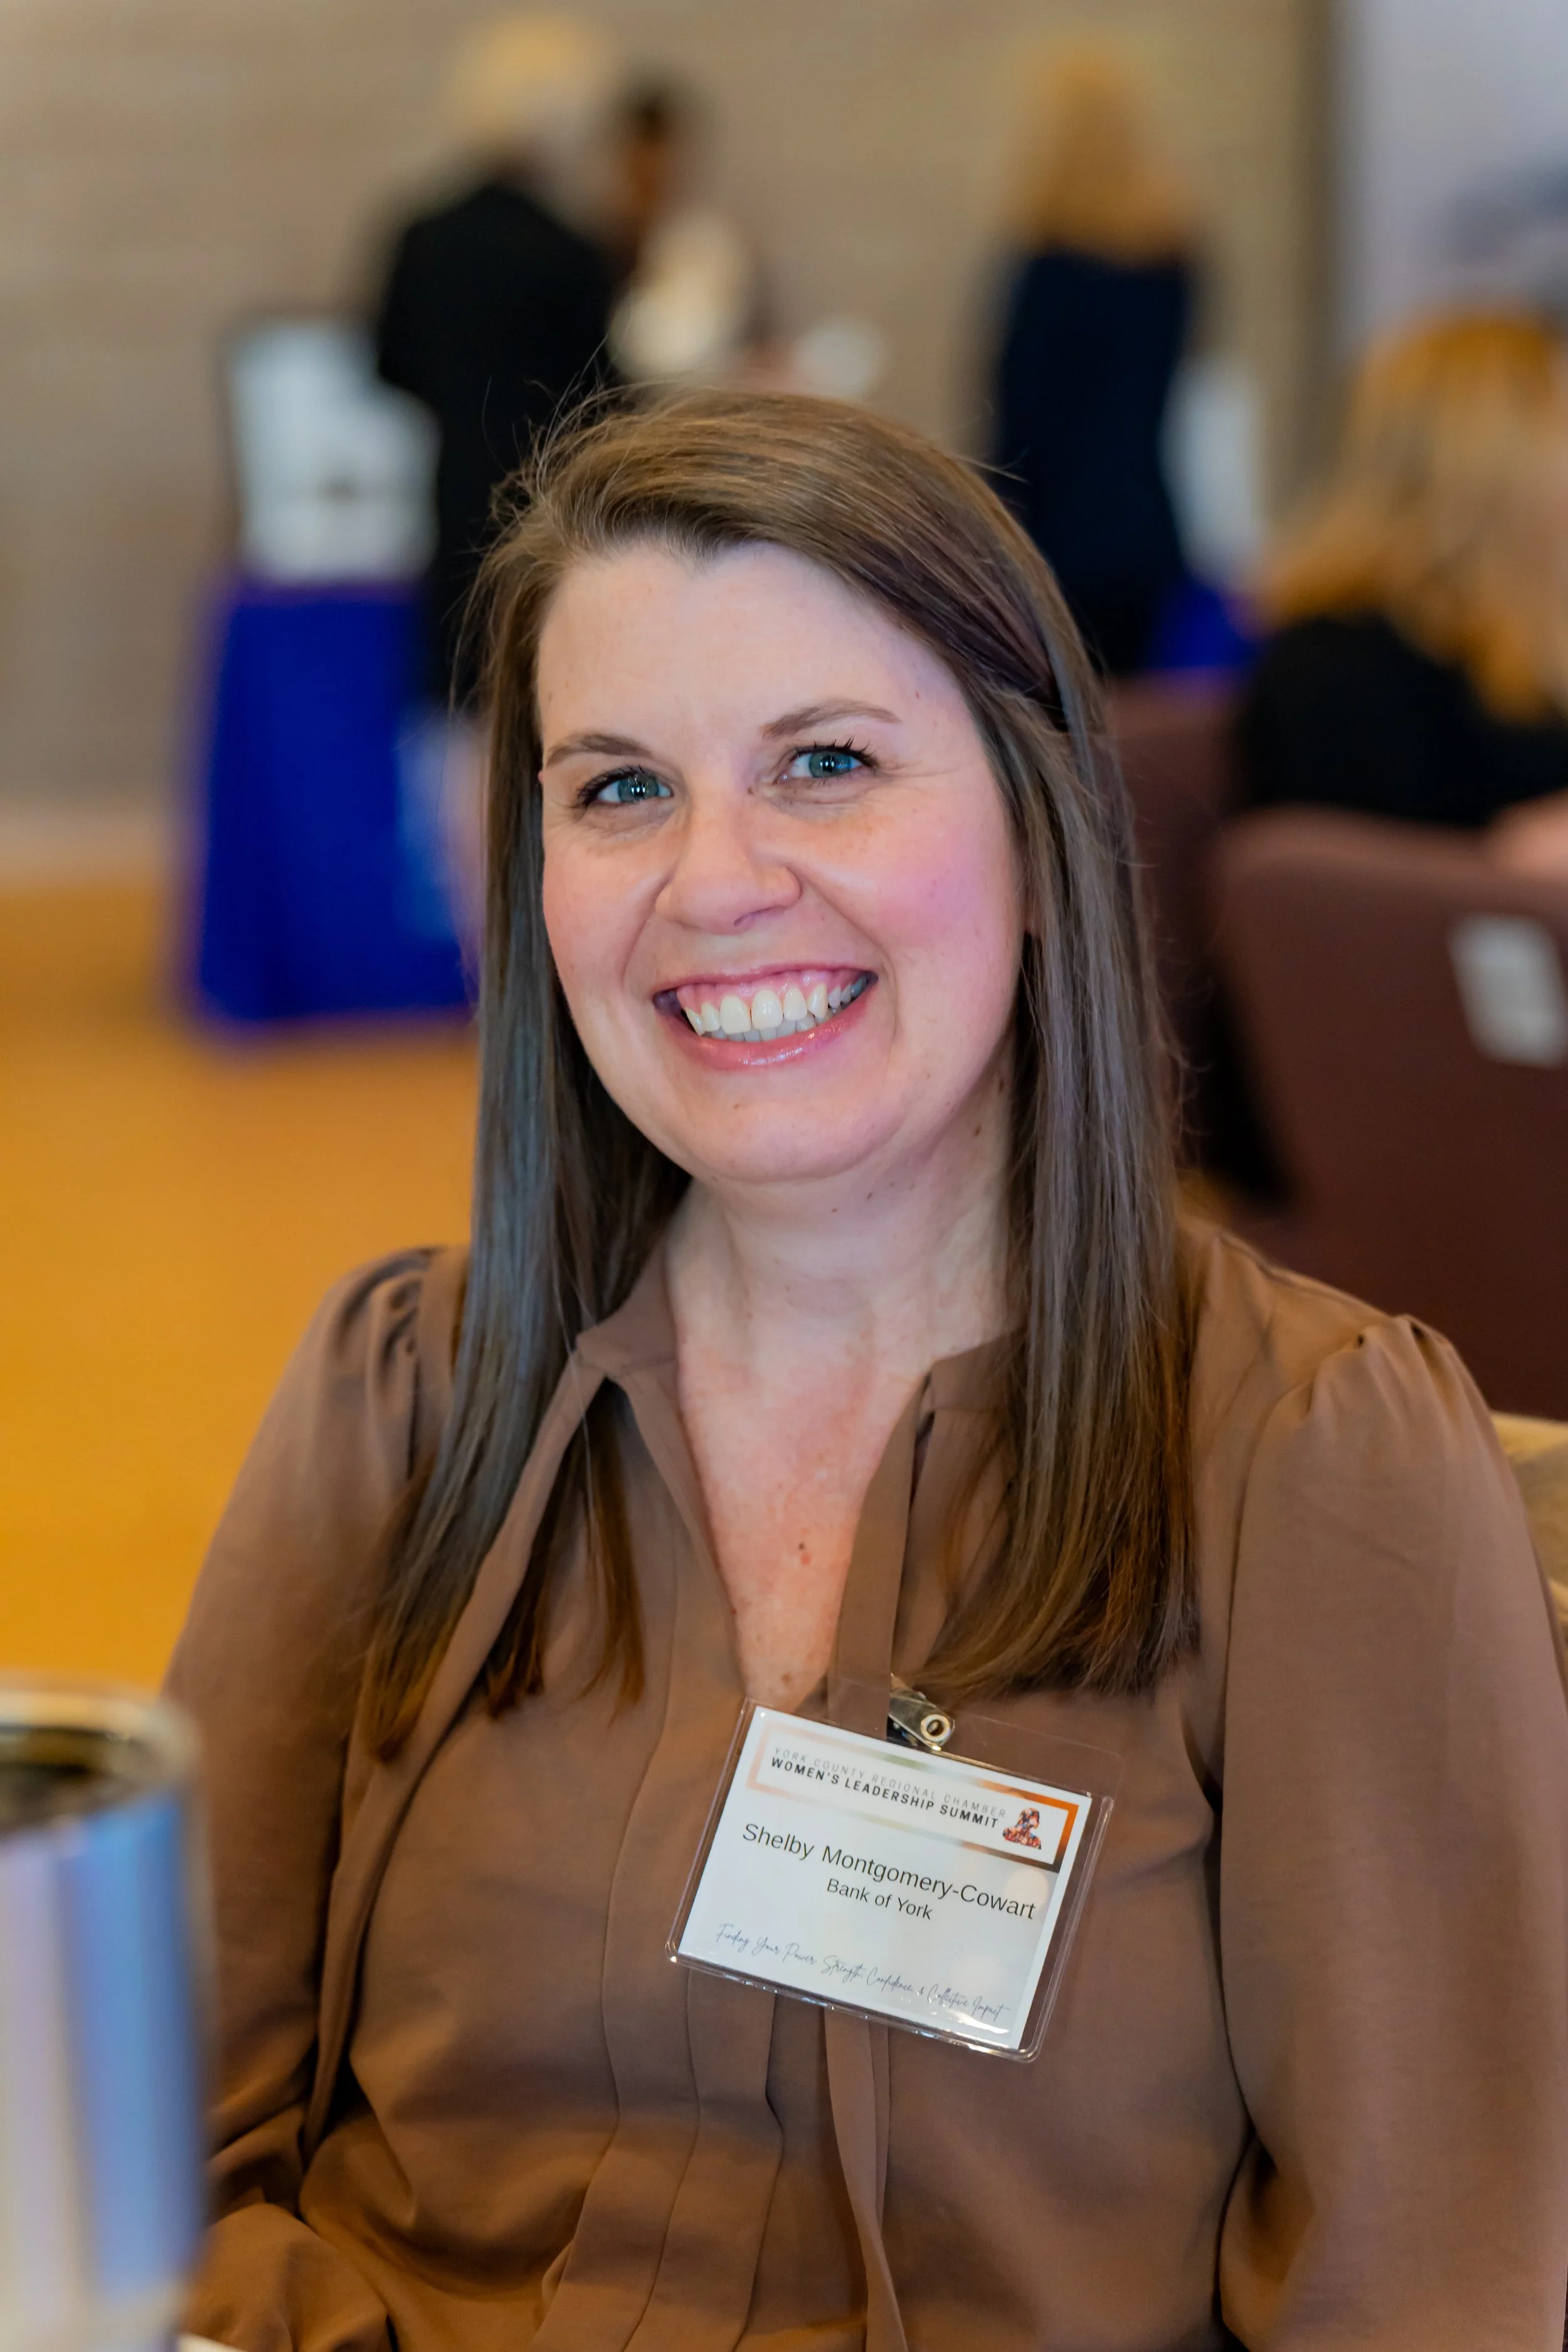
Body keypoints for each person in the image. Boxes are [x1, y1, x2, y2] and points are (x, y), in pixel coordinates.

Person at [169, 391, 1568, 2351]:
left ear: (1030, 824)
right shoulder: (403, 1398)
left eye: (822, 762)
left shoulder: (1305, 1461)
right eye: (616, 787)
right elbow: (148, 2159)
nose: (714, 878)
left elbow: (1411, 2298)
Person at [373, 13, 620, 707]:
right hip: (544, 506)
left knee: (453, 706)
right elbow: (605, 398)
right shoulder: (569, 251)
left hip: (451, 502)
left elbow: (389, 364)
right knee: (537, 693)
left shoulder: (422, 235)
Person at [1239, 310, 1568, 831]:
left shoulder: (1525, 643)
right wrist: (1506, 859)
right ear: (1495, 473)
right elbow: (1333, 890)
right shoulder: (1335, 672)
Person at [990, 44, 1196, 675]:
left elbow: (1018, 423)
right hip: (1148, 527)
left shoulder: (1046, 267)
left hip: (1057, 543)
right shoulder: (1173, 261)